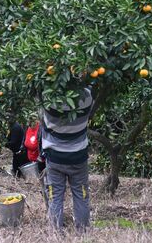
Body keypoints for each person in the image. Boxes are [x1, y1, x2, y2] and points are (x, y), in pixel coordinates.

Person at [40, 86, 93, 233]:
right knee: (81, 195)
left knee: (55, 196)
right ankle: (82, 233)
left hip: (55, 157)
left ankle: (56, 233)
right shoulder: (87, 97)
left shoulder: (48, 98)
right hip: (78, 158)